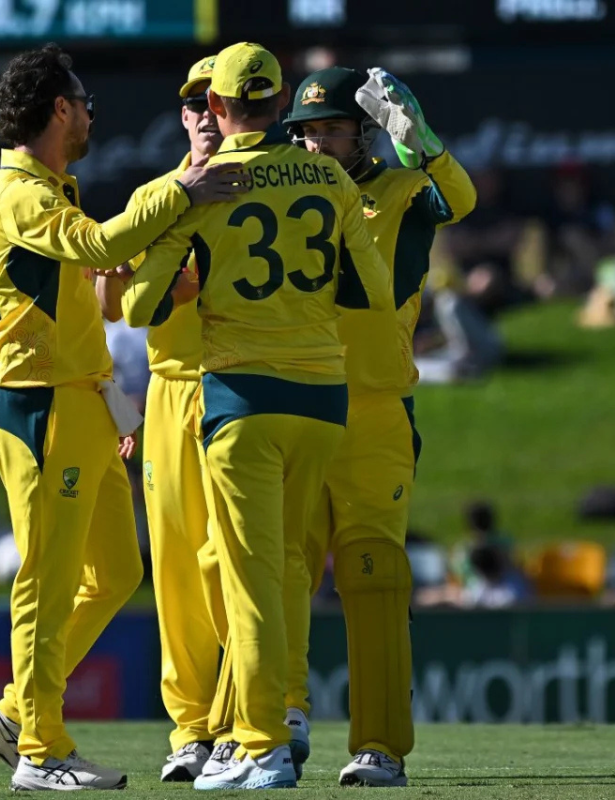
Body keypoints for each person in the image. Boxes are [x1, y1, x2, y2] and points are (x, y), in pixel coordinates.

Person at [0, 44, 244, 791]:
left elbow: (95, 294)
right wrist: (181, 188)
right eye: (84, 102)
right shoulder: (17, 191)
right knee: (46, 583)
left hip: (81, 400)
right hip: (38, 406)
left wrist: (111, 390)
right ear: (60, 108)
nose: (91, 114)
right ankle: (40, 750)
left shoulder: (54, 187)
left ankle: (16, 710)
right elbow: (93, 242)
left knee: (117, 571)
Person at [123, 43, 394, 790]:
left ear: (218, 105)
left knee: (243, 577)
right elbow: (373, 290)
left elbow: (137, 306)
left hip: (241, 395)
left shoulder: (205, 185)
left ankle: (260, 741)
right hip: (323, 396)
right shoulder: (329, 175)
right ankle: (279, 715)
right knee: (287, 566)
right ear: (282, 103)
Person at [281, 66, 475, 786]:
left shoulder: (400, 191)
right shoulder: (283, 193)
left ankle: (380, 745)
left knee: (375, 575)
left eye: (332, 129)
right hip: (295, 401)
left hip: (373, 410)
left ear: (363, 133)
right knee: (280, 570)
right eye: (307, 132)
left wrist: (422, 145)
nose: (317, 144)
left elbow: (459, 199)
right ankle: (275, 720)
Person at [94, 55, 228, 782]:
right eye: (195, 104)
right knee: (175, 567)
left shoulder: (263, 187)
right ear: (182, 116)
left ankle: (246, 719)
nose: (207, 114)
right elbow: (112, 307)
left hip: (245, 383)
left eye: (218, 101)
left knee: (234, 562)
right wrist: (115, 278)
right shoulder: (154, 196)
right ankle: (191, 729)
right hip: (172, 391)